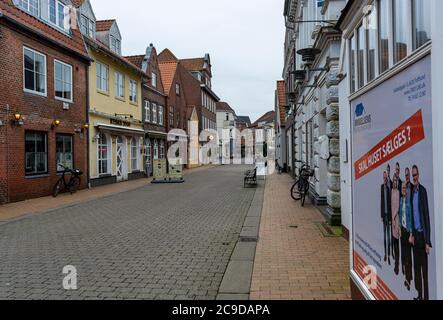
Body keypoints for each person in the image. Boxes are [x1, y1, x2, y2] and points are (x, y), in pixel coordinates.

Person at [410, 165, 432, 300]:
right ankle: (419, 295)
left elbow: (426, 217)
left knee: (425, 271)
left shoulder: (422, 191)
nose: (414, 177)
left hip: (422, 236)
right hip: (415, 237)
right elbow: (413, 215)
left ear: (419, 174)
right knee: (417, 269)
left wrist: (428, 241)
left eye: (416, 175)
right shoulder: (412, 192)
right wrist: (411, 234)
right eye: (413, 176)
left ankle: (426, 297)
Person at [399, 182, 413, 290]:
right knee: (404, 256)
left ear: (407, 190)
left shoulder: (409, 202)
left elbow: (411, 218)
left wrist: (411, 234)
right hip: (402, 231)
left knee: (408, 257)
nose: (404, 189)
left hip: (408, 232)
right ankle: (407, 276)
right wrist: (399, 227)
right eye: (402, 188)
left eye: (405, 188)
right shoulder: (401, 200)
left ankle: (408, 279)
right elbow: (400, 215)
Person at [380, 171, 392, 265]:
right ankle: (385, 253)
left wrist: (391, 218)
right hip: (384, 215)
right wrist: (381, 215)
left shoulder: (389, 189)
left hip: (389, 216)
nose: (384, 179)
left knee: (389, 236)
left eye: (385, 178)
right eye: (383, 178)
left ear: (387, 179)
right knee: (384, 236)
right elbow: (381, 202)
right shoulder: (381, 187)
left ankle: (389, 255)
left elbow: (390, 204)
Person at [391, 175, 401, 275]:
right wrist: (391, 219)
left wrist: (393, 218)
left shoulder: (398, 192)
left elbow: (397, 206)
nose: (394, 182)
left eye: (396, 181)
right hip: (392, 219)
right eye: (394, 181)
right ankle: (395, 261)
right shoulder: (392, 191)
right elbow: (391, 205)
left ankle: (397, 264)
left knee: (397, 240)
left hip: (396, 219)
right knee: (393, 241)